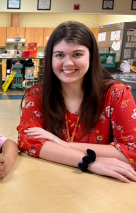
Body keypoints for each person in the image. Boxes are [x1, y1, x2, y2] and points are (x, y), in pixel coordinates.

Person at [17, 21, 136, 183]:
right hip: (51, 181)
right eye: (59, 55)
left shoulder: (116, 94)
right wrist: (90, 162)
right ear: (50, 58)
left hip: (103, 187)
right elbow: (27, 141)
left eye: (77, 54)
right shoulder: (38, 95)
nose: (68, 63)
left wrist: (59, 144)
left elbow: (131, 150)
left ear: (91, 56)